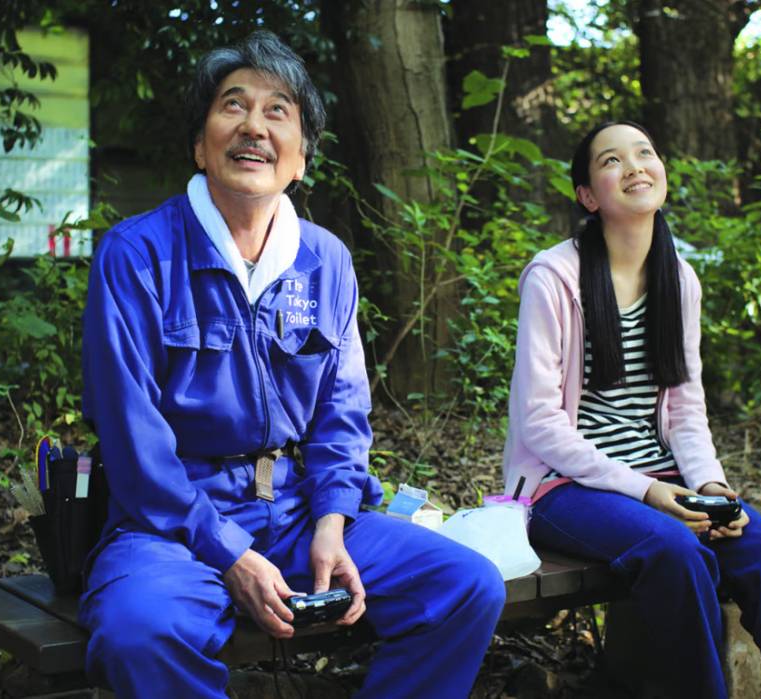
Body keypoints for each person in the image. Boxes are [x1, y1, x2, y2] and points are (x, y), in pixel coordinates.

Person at [78, 30, 504, 699]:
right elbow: (135, 448)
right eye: (233, 105)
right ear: (199, 143)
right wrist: (230, 555)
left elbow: (343, 412)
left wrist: (333, 521)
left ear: (302, 157)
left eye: (278, 110)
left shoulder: (325, 259)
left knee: (465, 585)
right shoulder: (136, 255)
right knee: (140, 629)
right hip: (173, 522)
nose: (253, 125)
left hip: (299, 510)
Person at [501, 120, 761, 698]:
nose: (635, 165)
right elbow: (540, 423)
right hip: (562, 488)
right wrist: (647, 493)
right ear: (588, 196)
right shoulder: (553, 276)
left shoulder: (678, 278)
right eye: (611, 160)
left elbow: (687, 409)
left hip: (663, 480)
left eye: (645, 153)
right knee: (674, 550)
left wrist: (710, 485)